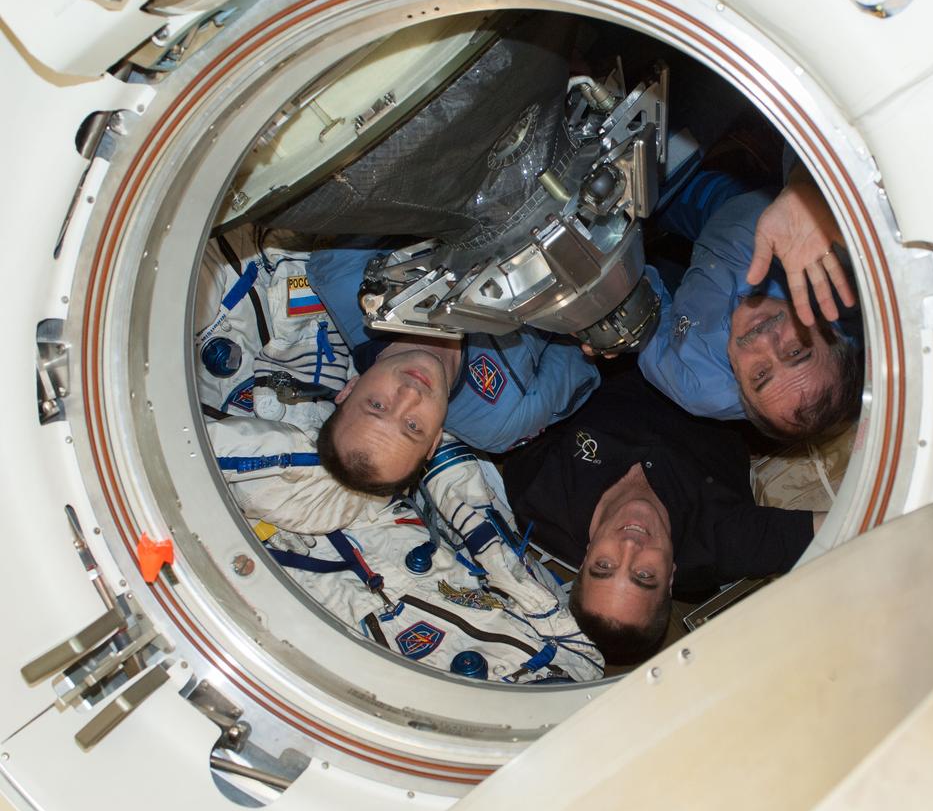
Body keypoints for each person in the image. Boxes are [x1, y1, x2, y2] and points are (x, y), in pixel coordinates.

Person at [502, 368, 824, 664]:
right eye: (644, 575)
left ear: (585, 559)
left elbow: (533, 391)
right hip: (721, 368)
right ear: (670, 577)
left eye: (604, 566)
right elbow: (837, 531)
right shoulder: (719, 546)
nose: (629, 545)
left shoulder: (536, 492)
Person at [306, 247, 601, 496]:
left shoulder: (345, 277)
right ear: (435, 441)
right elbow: (584, 345)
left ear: (348, 389)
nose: (410, 394)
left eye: (377, 405)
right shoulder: (499, 422)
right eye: (413, 426)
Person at [636, 170, 864, 442]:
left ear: (740, 390)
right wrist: (808, 188)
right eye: (795, 351)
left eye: (760, 374)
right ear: (832, 331)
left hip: (682, 272)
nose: (766, 341)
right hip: (737, 202)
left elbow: (642, 322)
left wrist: (611, 313)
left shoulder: (696, 384)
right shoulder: (845, 272)